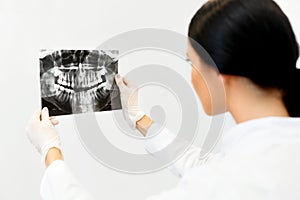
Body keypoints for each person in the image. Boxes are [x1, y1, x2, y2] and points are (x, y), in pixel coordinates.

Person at [26, 0, 300, 199]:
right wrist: (139, 117)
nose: (191, 75)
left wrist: (51, 152)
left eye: (190, 63)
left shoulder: (221, 184)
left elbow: (218, 179)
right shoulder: (266, 159)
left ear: (219, 76)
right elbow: (209, 166)